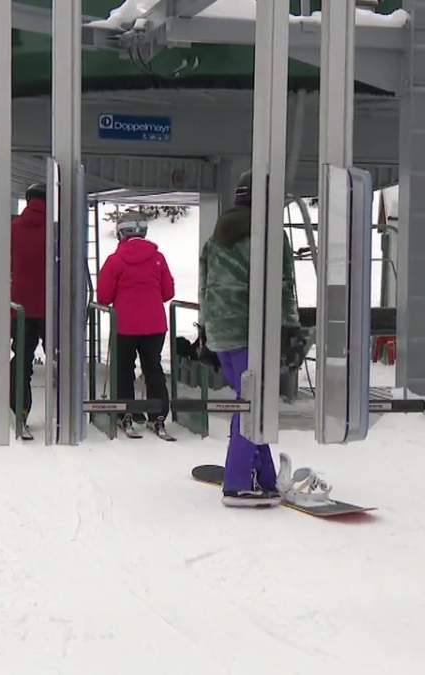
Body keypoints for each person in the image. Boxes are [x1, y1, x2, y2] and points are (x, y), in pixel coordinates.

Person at [199, 172, 302, 506]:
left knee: (248, 402)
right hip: (251, 334)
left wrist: (205, 330)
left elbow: (205, 283)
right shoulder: (269, 235)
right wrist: (291, 332)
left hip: (221, 335)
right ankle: (239, 482)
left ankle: (264, 476)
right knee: (250, 406)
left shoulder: (217, 235)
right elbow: (283, 286)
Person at [97, 218, 176, 439]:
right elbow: (168, 292)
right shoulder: (158, 258)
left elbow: (104, 295)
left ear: (121, 234)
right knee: (153, 369)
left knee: (124, 369)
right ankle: (158, 416)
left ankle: (126, 413)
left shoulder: (116, 260)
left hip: (125, 324)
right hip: (155, 324)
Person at [10, 183, 48, 435]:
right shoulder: (56, 230)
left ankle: (19, 410)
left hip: (20, 308)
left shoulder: (13, 229)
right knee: (61, 360)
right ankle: (64, 414)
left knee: (22, 360)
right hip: (52, 309)